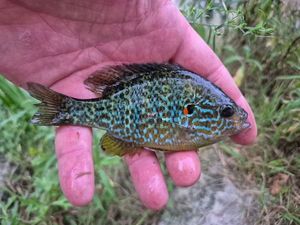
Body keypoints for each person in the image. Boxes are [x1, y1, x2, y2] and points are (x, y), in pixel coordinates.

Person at [0, 0, 257, 210]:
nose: (234, 119)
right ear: (194, 113)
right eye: (226, 112)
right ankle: (64, 109)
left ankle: (62, 109)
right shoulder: (191, 122)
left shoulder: (195, 117)